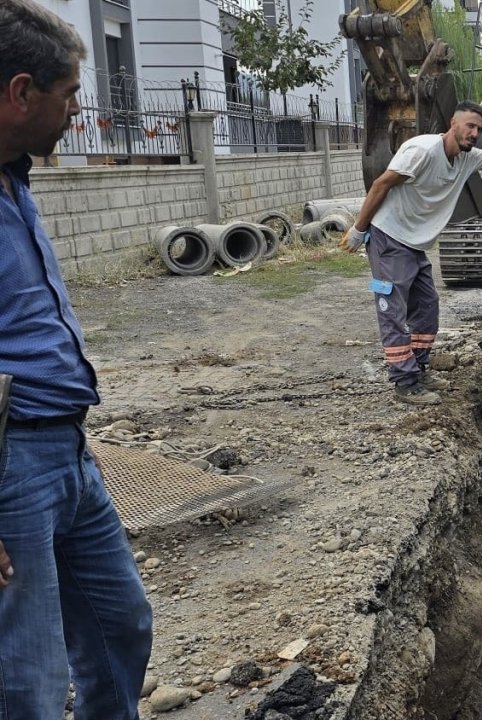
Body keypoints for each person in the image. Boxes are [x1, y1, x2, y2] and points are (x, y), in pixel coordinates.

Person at [0, 1, 154, 718]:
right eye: (67, 97)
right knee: (27, 682)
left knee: (120, 623)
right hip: (11, 466)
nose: (74, 114)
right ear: (21, 92)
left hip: (67, 450)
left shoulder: (14, 180)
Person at [343, 100, 482, 405]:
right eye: (470, 126)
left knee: (427, 307)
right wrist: (359, 230)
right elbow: (381, 184)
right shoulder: (421, 151)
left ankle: (419, 368)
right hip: (389, 239)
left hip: (415, 244)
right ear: (453, 122)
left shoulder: (467, 158)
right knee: (392, 310)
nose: (475, 133)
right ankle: (405, 382)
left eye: (479, 129)